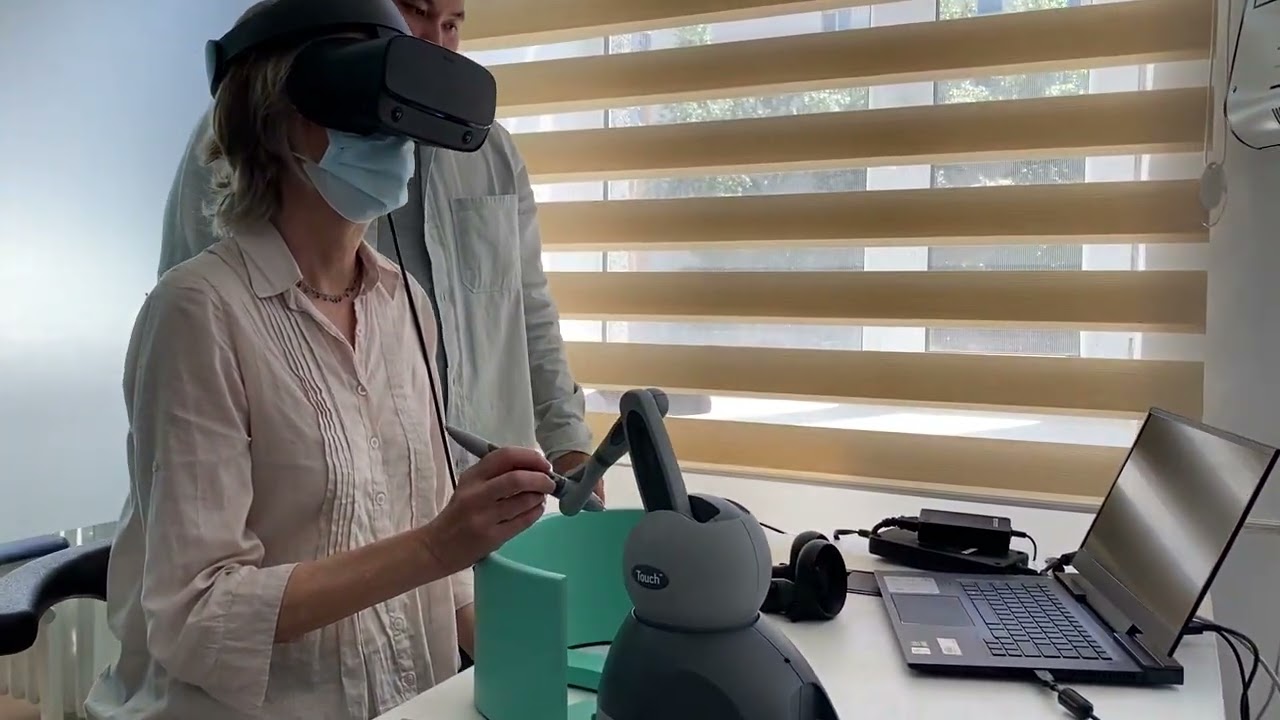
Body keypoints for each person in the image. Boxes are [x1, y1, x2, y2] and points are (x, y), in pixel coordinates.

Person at [84, 7, 556, 718]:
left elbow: (443, 569)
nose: (395, 142)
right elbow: (197, 613)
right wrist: (437, 546)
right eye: (369, 116)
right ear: (279, 122)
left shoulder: (405, 306)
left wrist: (545, 668)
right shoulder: (199, 313)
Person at [159, 0, 603, 499]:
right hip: (321, 499)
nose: (436, 45)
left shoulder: (490, 152)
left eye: (451, 25)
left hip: (490, 487)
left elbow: (528, 302)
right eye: (417, 12)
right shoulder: (250, 130)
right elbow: (196, 348)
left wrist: (568, 441)